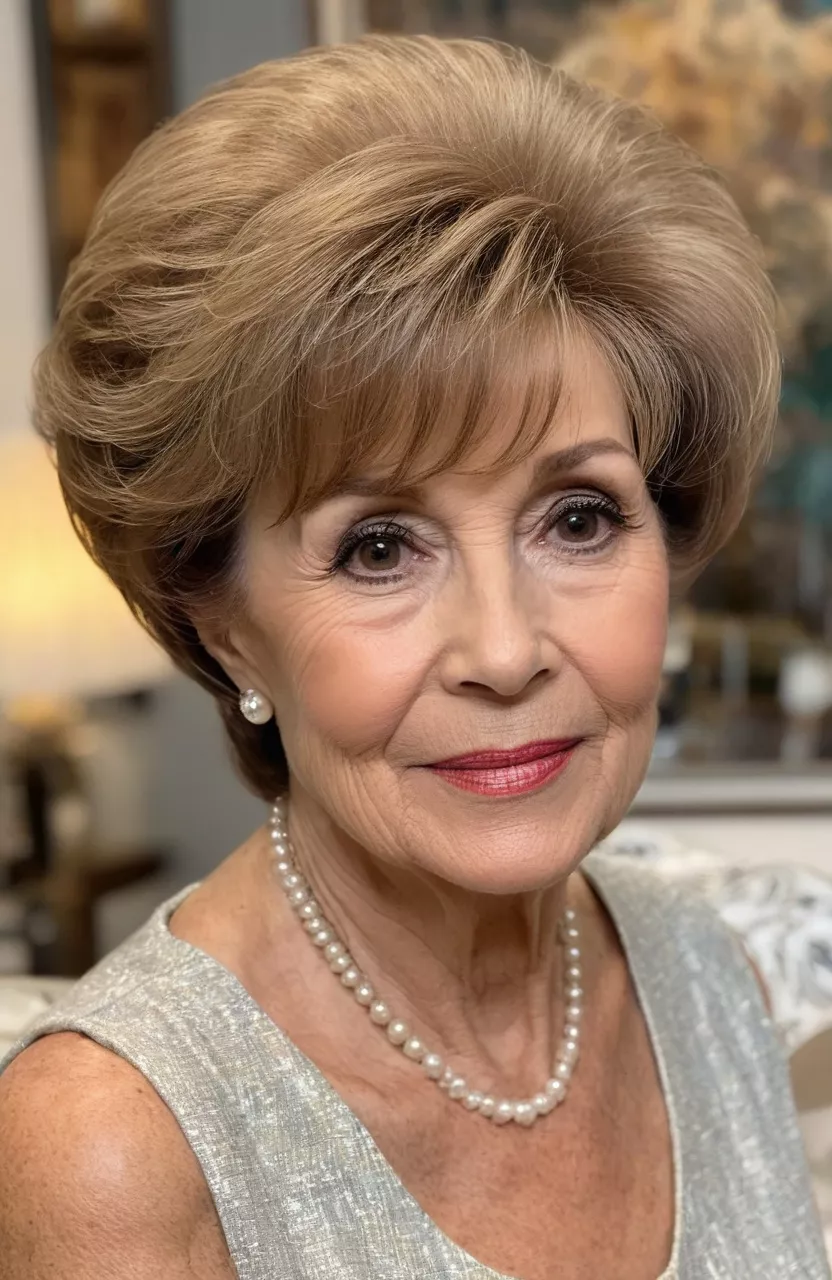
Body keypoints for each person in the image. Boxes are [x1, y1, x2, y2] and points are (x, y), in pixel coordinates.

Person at [0, 34, 826, 1280]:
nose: (502, 648)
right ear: (224, 622)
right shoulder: (115, 1145)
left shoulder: (707, 976)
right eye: (380, 546)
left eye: (579, 518)